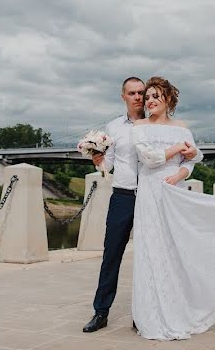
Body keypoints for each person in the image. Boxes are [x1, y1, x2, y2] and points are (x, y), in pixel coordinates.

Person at [131, 76, 215, 340]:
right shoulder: (139, 127)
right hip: (149, 192)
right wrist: (177, 149)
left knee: (175, 248)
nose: (150, 101)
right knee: (151, 249)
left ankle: (181, 307)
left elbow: (192, 161)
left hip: (173, 191)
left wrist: (181, 173)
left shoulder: (183, 129)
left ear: (168, 99)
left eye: (156, 96)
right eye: (147, 97)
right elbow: (148, 158)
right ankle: (151, 313)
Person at [83, 76, 199, 333]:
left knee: (153, 255)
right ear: (123, 96)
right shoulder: (113, 128)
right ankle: (100, 312)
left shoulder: (157, 124)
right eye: (133, 93)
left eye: (141, 93)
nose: (139, 98)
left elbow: (188, 157)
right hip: (124, 195)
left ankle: (145, 313)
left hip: (155, 197)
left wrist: (186, 163)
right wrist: (97, 159)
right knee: (111, 255)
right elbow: (108, 166)